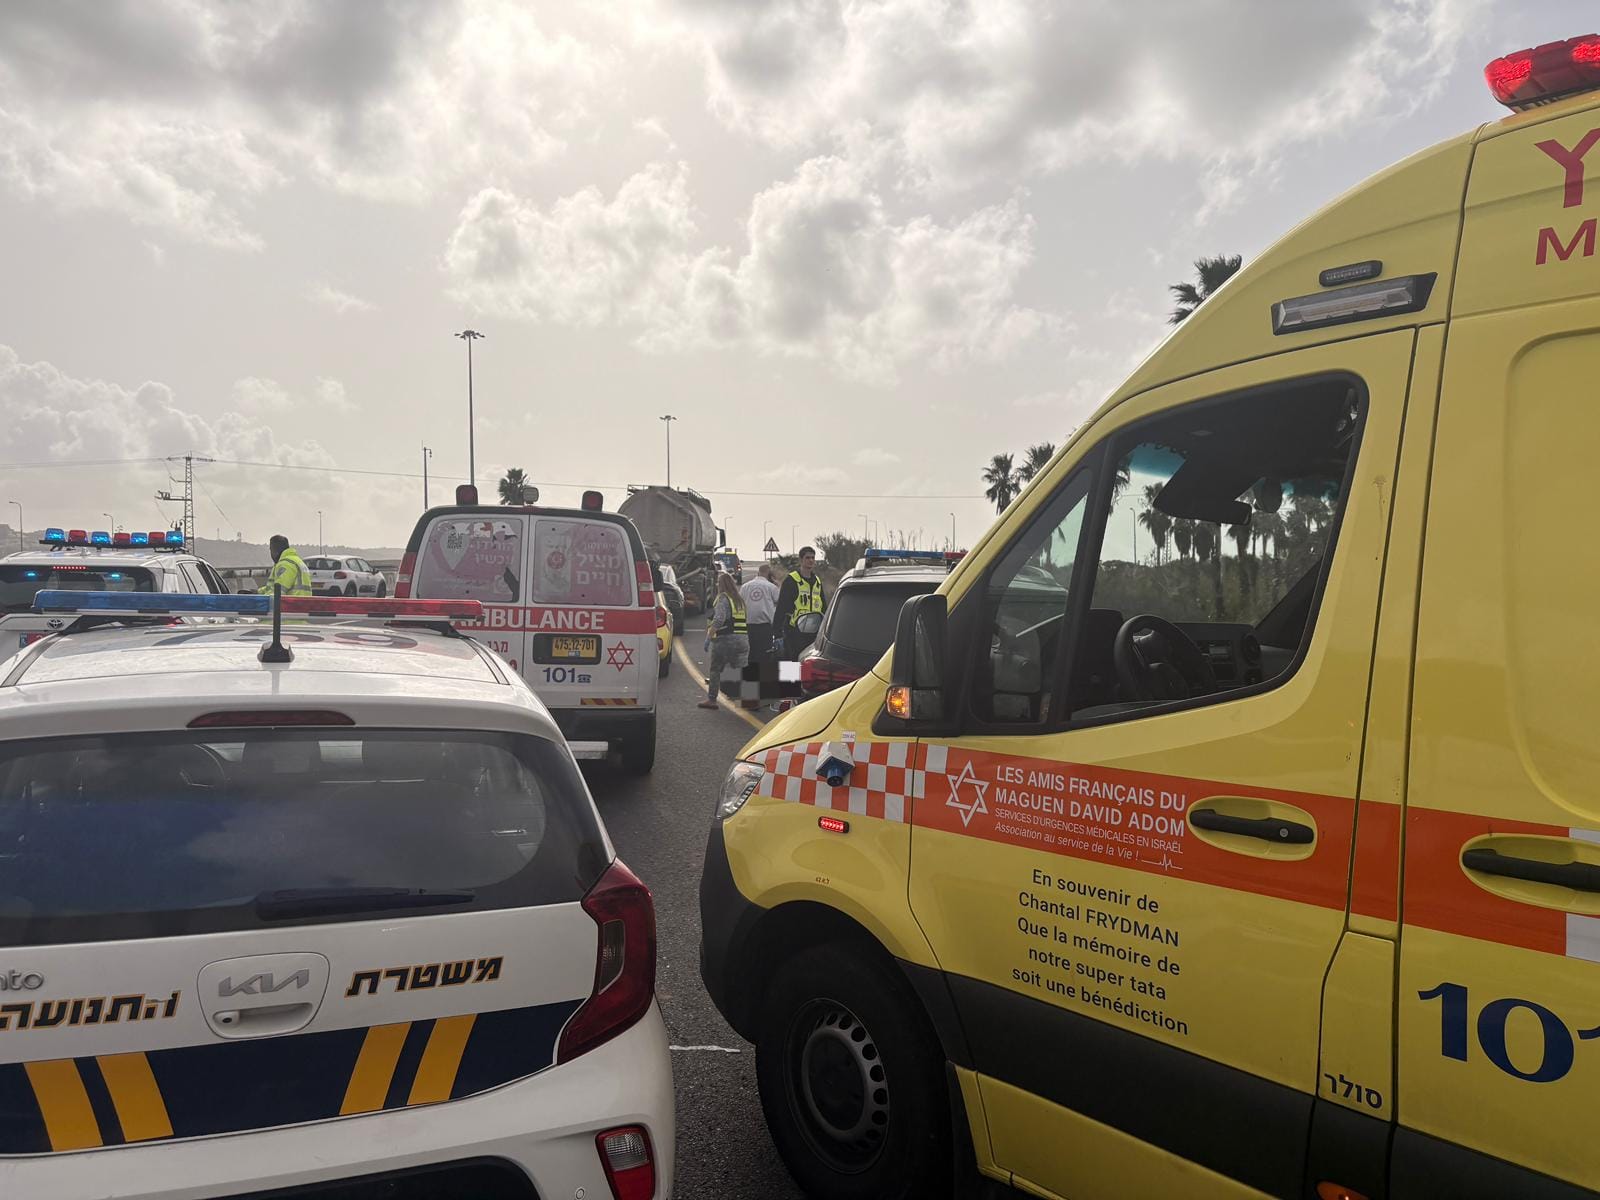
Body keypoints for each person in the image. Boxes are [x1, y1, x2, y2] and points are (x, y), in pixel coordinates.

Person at [699, 570, 749, 710]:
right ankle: (745, 699)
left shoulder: (723, 598)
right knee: (740, 670)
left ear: (721, 585)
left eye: (717, 583)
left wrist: (709, 636)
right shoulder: (739, 600)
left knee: (716, 669)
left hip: (726, 639)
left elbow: (719, 619)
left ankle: (712, 700)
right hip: (743, 640)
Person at [775, 545, 827, 659]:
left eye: (813, 558)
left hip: (814, 632)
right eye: (807, 558)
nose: (811, 560)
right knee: (792, 663)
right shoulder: (792, 580)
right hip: (795, 632)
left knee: (808, 663)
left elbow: (824, 607)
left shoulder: (817, 581)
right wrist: (777, 633)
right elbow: (781, 607)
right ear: (801, 560)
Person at [740, 563, 779, 664]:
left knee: (751, 654)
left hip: (748, 626)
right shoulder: (771, 587)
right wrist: (777, 585)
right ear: (769, 574)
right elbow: (779, 602)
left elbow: (740, 604)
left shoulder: (745, 587)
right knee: (765, 655)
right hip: (765, 627)